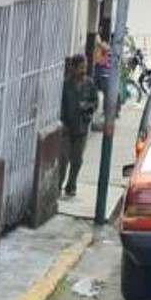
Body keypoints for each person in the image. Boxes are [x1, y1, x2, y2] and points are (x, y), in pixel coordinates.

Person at [60, 54, 98, 198]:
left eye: (85, 67)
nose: (83, 70)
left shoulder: (89, 84)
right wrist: (62, 122)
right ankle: (58, 185)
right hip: (67, 128)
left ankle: (71, 185)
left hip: (82, 127)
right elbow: (61, 105)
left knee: (77, 160)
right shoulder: (65, 85)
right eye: (81, 67)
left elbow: (95, 102)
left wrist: (87, 107)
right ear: (73, 68)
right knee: (63, 159)